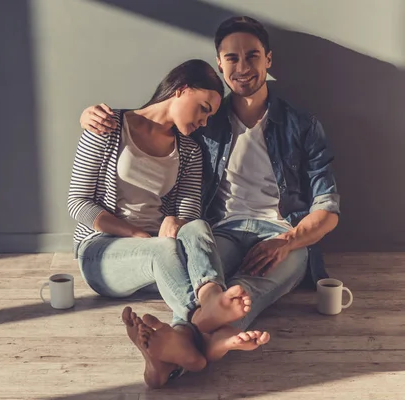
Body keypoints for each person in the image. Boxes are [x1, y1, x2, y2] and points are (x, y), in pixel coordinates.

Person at [80, 16, 340, 334]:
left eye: (252, 56)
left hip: (280, 234)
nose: (242, 67)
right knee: (214, 293)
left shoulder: (301, 125)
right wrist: (90, 115)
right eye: (232, 58)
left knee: (244, 294)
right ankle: (190, 337)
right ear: (219, 64)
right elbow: (153, 122)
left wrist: (286, 241)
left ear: (268, 59)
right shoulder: (203, 124)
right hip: (222, 233)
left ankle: (178, 339)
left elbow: (327, 210)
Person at [68, 59, 268, 388]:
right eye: (203, 109)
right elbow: (78, 203)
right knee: (163, 249)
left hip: (163, 258)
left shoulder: (189, 152)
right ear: (181, 90)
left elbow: (188, 217)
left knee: (199, 228)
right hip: (101, 253)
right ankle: (203, 320)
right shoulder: (108, 126)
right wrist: (139, 234)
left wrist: (176, 220)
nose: (204, 122)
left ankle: (169, 357)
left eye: (209, 117)